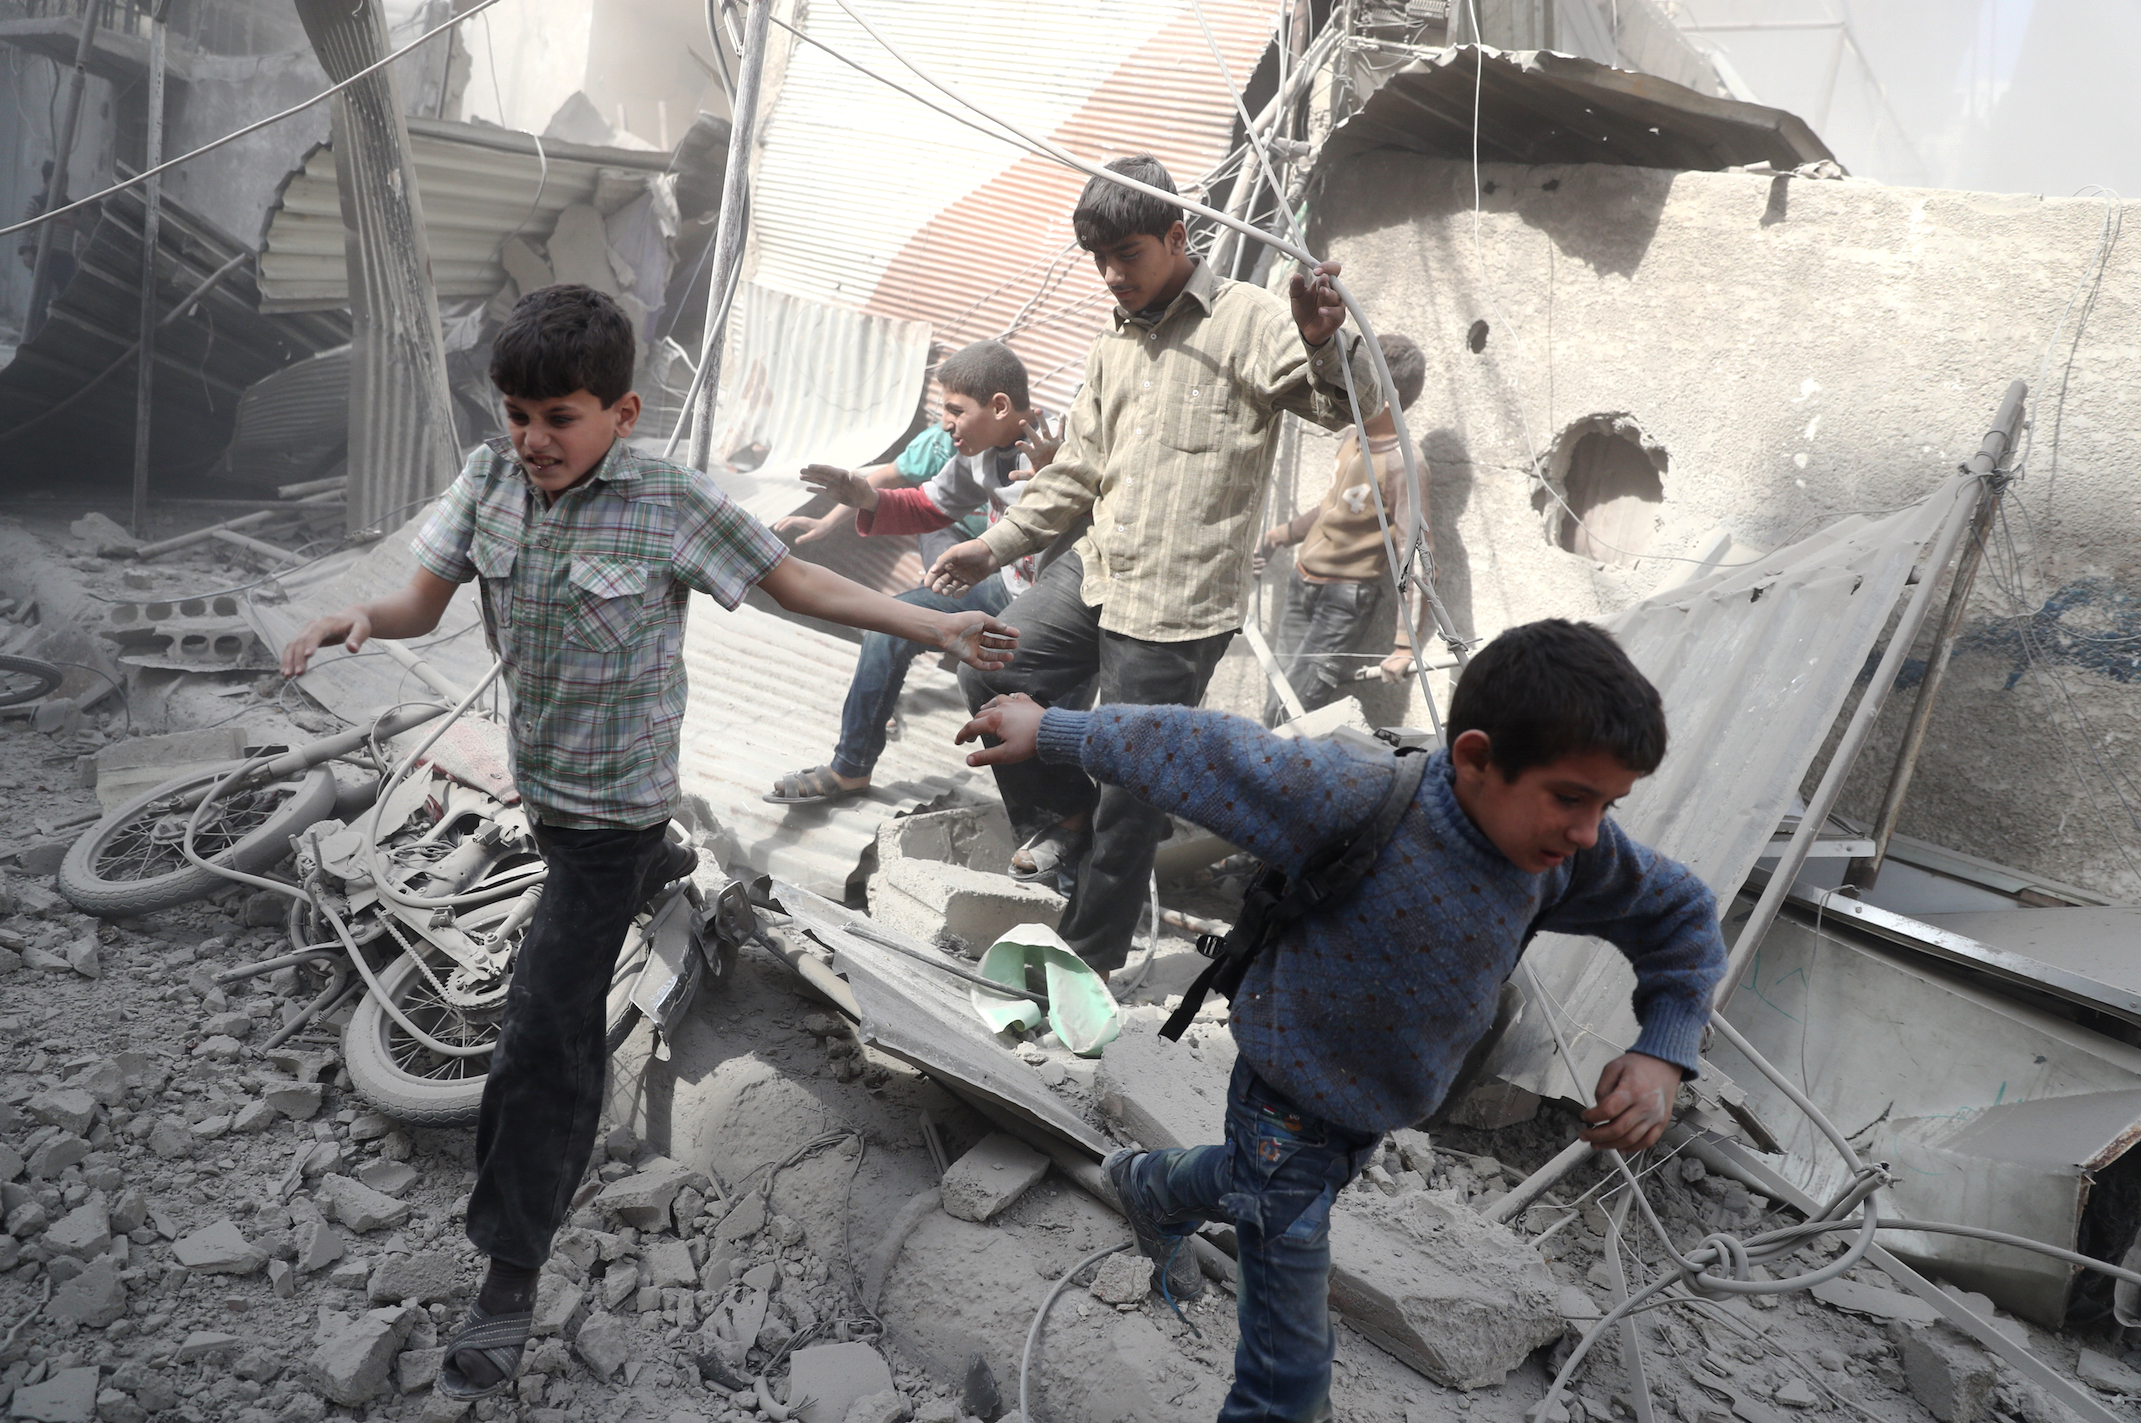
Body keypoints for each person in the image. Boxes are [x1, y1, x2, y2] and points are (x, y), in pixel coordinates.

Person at [277, 284, 1017, 1402]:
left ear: (621, 413)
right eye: (516, 414)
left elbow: (798, 582)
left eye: (558, 418)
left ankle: (508, 1275)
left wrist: (933, 622)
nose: (532, 439)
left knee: (543, 1029)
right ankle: (665, 870)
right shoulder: (488, 482)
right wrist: (364, 618)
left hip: (610, 813)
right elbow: (421, 604)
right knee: (568, 954)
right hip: (541, 787)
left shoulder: (668, 500)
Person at [956, 618, 1728, 1423]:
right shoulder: (1355, 797)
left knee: (1250, 1180)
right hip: (1283, 1099)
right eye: (1570, 797)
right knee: (1286, 1380)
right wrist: (1053, 728)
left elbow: (1679, 912)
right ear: (1475, 758)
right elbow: (1202, 751)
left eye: (1606, 804)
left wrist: (1663, 1048)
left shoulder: (1563, 856)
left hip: (1369, 1111)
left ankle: (1146, 1184)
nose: (1589, 829)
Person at [927, 154, 1382, 950]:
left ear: (1176, 237)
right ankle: (1061, 817)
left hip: (1178, 603)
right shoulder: (1115, 342)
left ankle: (1088, 956)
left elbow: (1346, 405)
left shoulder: (1248, 319)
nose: (1111, 275)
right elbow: (1076, 471)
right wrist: (992, 547)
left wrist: (1321, 340)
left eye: (1126, 255)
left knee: (1131, 787)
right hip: (1097, 567)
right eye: (1098, 259)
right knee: (989, 666)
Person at [765, 340, 1064, 804]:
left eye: (955, 410)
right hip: (1005, 589)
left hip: (1059, 609)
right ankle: (850, 768)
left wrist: (1057, 473)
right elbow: (929, 505)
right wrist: (867, 498)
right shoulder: (979, 452)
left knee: (1032, 712)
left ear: (1000, 407)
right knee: (888, 627)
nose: (945, 423)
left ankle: (1059, 814)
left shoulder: (1061, 444)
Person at [1254, 331, 1429, 724]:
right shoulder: (1352, 435)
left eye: (1362, 383)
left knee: (1290, 714)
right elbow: (1333, 507)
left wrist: (1405, 645)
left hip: (1343, 600)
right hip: (1302, 583)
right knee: (1276, 698)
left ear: (1387, 397)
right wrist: (1279, 536)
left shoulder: (1405, 463)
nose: (1348, 393)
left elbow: (1415, 555)